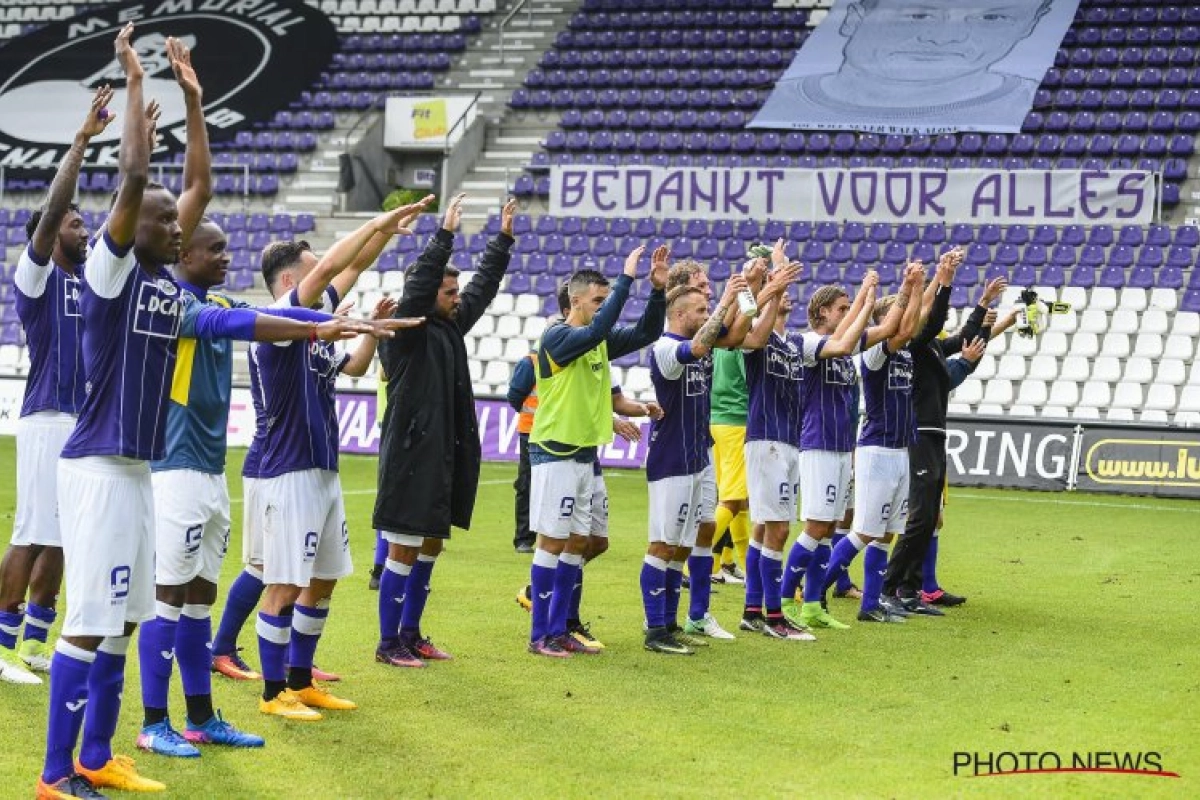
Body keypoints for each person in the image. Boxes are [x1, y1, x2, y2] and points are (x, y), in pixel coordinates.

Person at [37, 26, 379, 799]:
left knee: (125, 622)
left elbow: (236, 316)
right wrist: (134, 88)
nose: (178, 227)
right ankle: (57, 774)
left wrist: (322, 325)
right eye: (165, 223)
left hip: (137, 473)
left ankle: (99, 755)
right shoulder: (113, 274)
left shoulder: (168, 291)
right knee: (91, 623)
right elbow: (135, 183)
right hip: (96, 470)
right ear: (135, 230)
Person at [208, 201, 433, 686]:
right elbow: (336, 263)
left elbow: (351, 267)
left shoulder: (313, 332)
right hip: (281, 464)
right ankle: (239, 658)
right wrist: (377, 220)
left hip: (316, 464)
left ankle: (296, 669)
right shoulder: (278, 322)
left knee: (307, 576)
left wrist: (387, 235)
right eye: (313, 277)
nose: (327, 288)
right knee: (272, 574)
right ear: (292, 284)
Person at [372, 195, 517, 668]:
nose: (458, 298)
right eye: (448, 291)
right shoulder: (407, 326)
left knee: (430, 545)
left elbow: (483, 290)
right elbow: (418, 291)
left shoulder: (450, 325)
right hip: (412, 455)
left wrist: (503, 240)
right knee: (404, 547)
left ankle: (411, 634)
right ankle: (388, 642)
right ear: (429, 291)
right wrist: (445, 235)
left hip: (443, 454)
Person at [0, 87, 111, 688]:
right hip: (46, 418)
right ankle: (0, 643)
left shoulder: (91, 283)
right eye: (74, 221)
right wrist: (82, 142)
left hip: (84, 424)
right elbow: (54, 209)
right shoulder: (35, 278)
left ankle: (37, 644)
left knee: (68, 537)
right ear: (47, 232)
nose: (82, 225)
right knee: (32, 532)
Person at [526, 246, 667, 657]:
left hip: (585, 454)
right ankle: (540, 635)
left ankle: (560, 628)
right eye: (599, 301)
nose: (605, 310)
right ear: (576, 301)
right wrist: (626, 279)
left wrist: (656, 292)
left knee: (577, 542)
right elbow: (594, 331)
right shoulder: (558, 336)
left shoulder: (597, 343)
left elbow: (645, 333)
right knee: (552, 542)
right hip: (555, 451)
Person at [779, 268, 909, 631]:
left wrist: (896, 293)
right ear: (822, 312)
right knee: (817, 524)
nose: (846, 313)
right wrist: (867, 297)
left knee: (832, 526)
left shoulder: (844, 348)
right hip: (818, 444)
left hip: (841, 448)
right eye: (841, 308)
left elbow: (887, 331)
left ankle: (814, 607)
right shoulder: (807, 345)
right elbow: (845, 337)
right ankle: (786, 598)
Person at [642, 271, 757, 653]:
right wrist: (726, 299)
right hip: (672, 457)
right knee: (663, 545)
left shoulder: (700, 344)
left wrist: (756, 290)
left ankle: (674, 622)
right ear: (679, 314)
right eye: (701, 309)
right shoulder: (665, 348)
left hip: (698, 455)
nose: (708, 315)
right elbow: (697, 348)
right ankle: (655, 631)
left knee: (687, 543)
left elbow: (733, 335)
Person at [884, 270, 1003, 614]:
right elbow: (936, 319)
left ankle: (910, 589)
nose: (939, 319)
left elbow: (968, 342)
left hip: (935, 435)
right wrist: (944, 282)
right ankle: (890, 587)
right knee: (919, 518)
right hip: (919, 433)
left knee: (928, 517)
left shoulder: (932, 346)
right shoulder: (914, 345)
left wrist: (983, 305)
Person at [755, 0, 1057, 132]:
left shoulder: (1038, 108)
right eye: (919, 16)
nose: (943, 40)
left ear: (1029, 26)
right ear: (853, 18)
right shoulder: (776, 101)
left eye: (991, 18)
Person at [818, 263, 926, 624]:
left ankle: (871, 605)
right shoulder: (875, 352)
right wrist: (914, 285)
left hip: (899, 449)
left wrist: (926, 286)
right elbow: (904, 325)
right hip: (877, 449)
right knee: (864, 530)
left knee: (886, 534)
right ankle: (814, 592)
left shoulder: (906, 351)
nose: (903, 326)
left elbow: (913, 323)